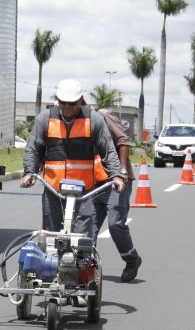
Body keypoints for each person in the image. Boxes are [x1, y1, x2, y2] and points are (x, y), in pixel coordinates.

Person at [21, 79, 125, 233]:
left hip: (84, 193)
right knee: (51, 239)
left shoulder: (93, 119)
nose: (67, 107)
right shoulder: (46, 118)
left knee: (81, 242)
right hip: (53, 190)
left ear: (80, 100)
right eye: (63, 102)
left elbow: (108, 150)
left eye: (72, 103)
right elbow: (33, 149)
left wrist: (116, 175)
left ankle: (85, 257)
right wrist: (29, 171)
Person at [74, 97, 142, 282]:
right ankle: (86, 271)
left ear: (81, 102)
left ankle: (131, 258)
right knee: (88, 230)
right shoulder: (77, 123)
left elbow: (123, 140)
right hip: (94, 183)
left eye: (73, 104)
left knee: (115, 224)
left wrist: (121, 172)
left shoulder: (103, 115)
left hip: (115, 181)